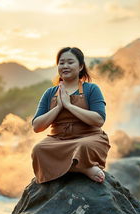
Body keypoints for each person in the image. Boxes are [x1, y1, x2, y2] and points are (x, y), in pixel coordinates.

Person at [31, 47, 110, 184]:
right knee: (39, 150)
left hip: (89, 137)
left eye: (70, 62)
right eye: (61, 63)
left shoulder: (91, 89)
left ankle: (67, 167)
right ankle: (82, 169)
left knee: (83, 146)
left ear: (80, 67)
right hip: (58, 140)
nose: (65, 66)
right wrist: (59, 107)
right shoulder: (50, 93)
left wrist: (70, 106)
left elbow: (99, 119)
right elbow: (37, 126)